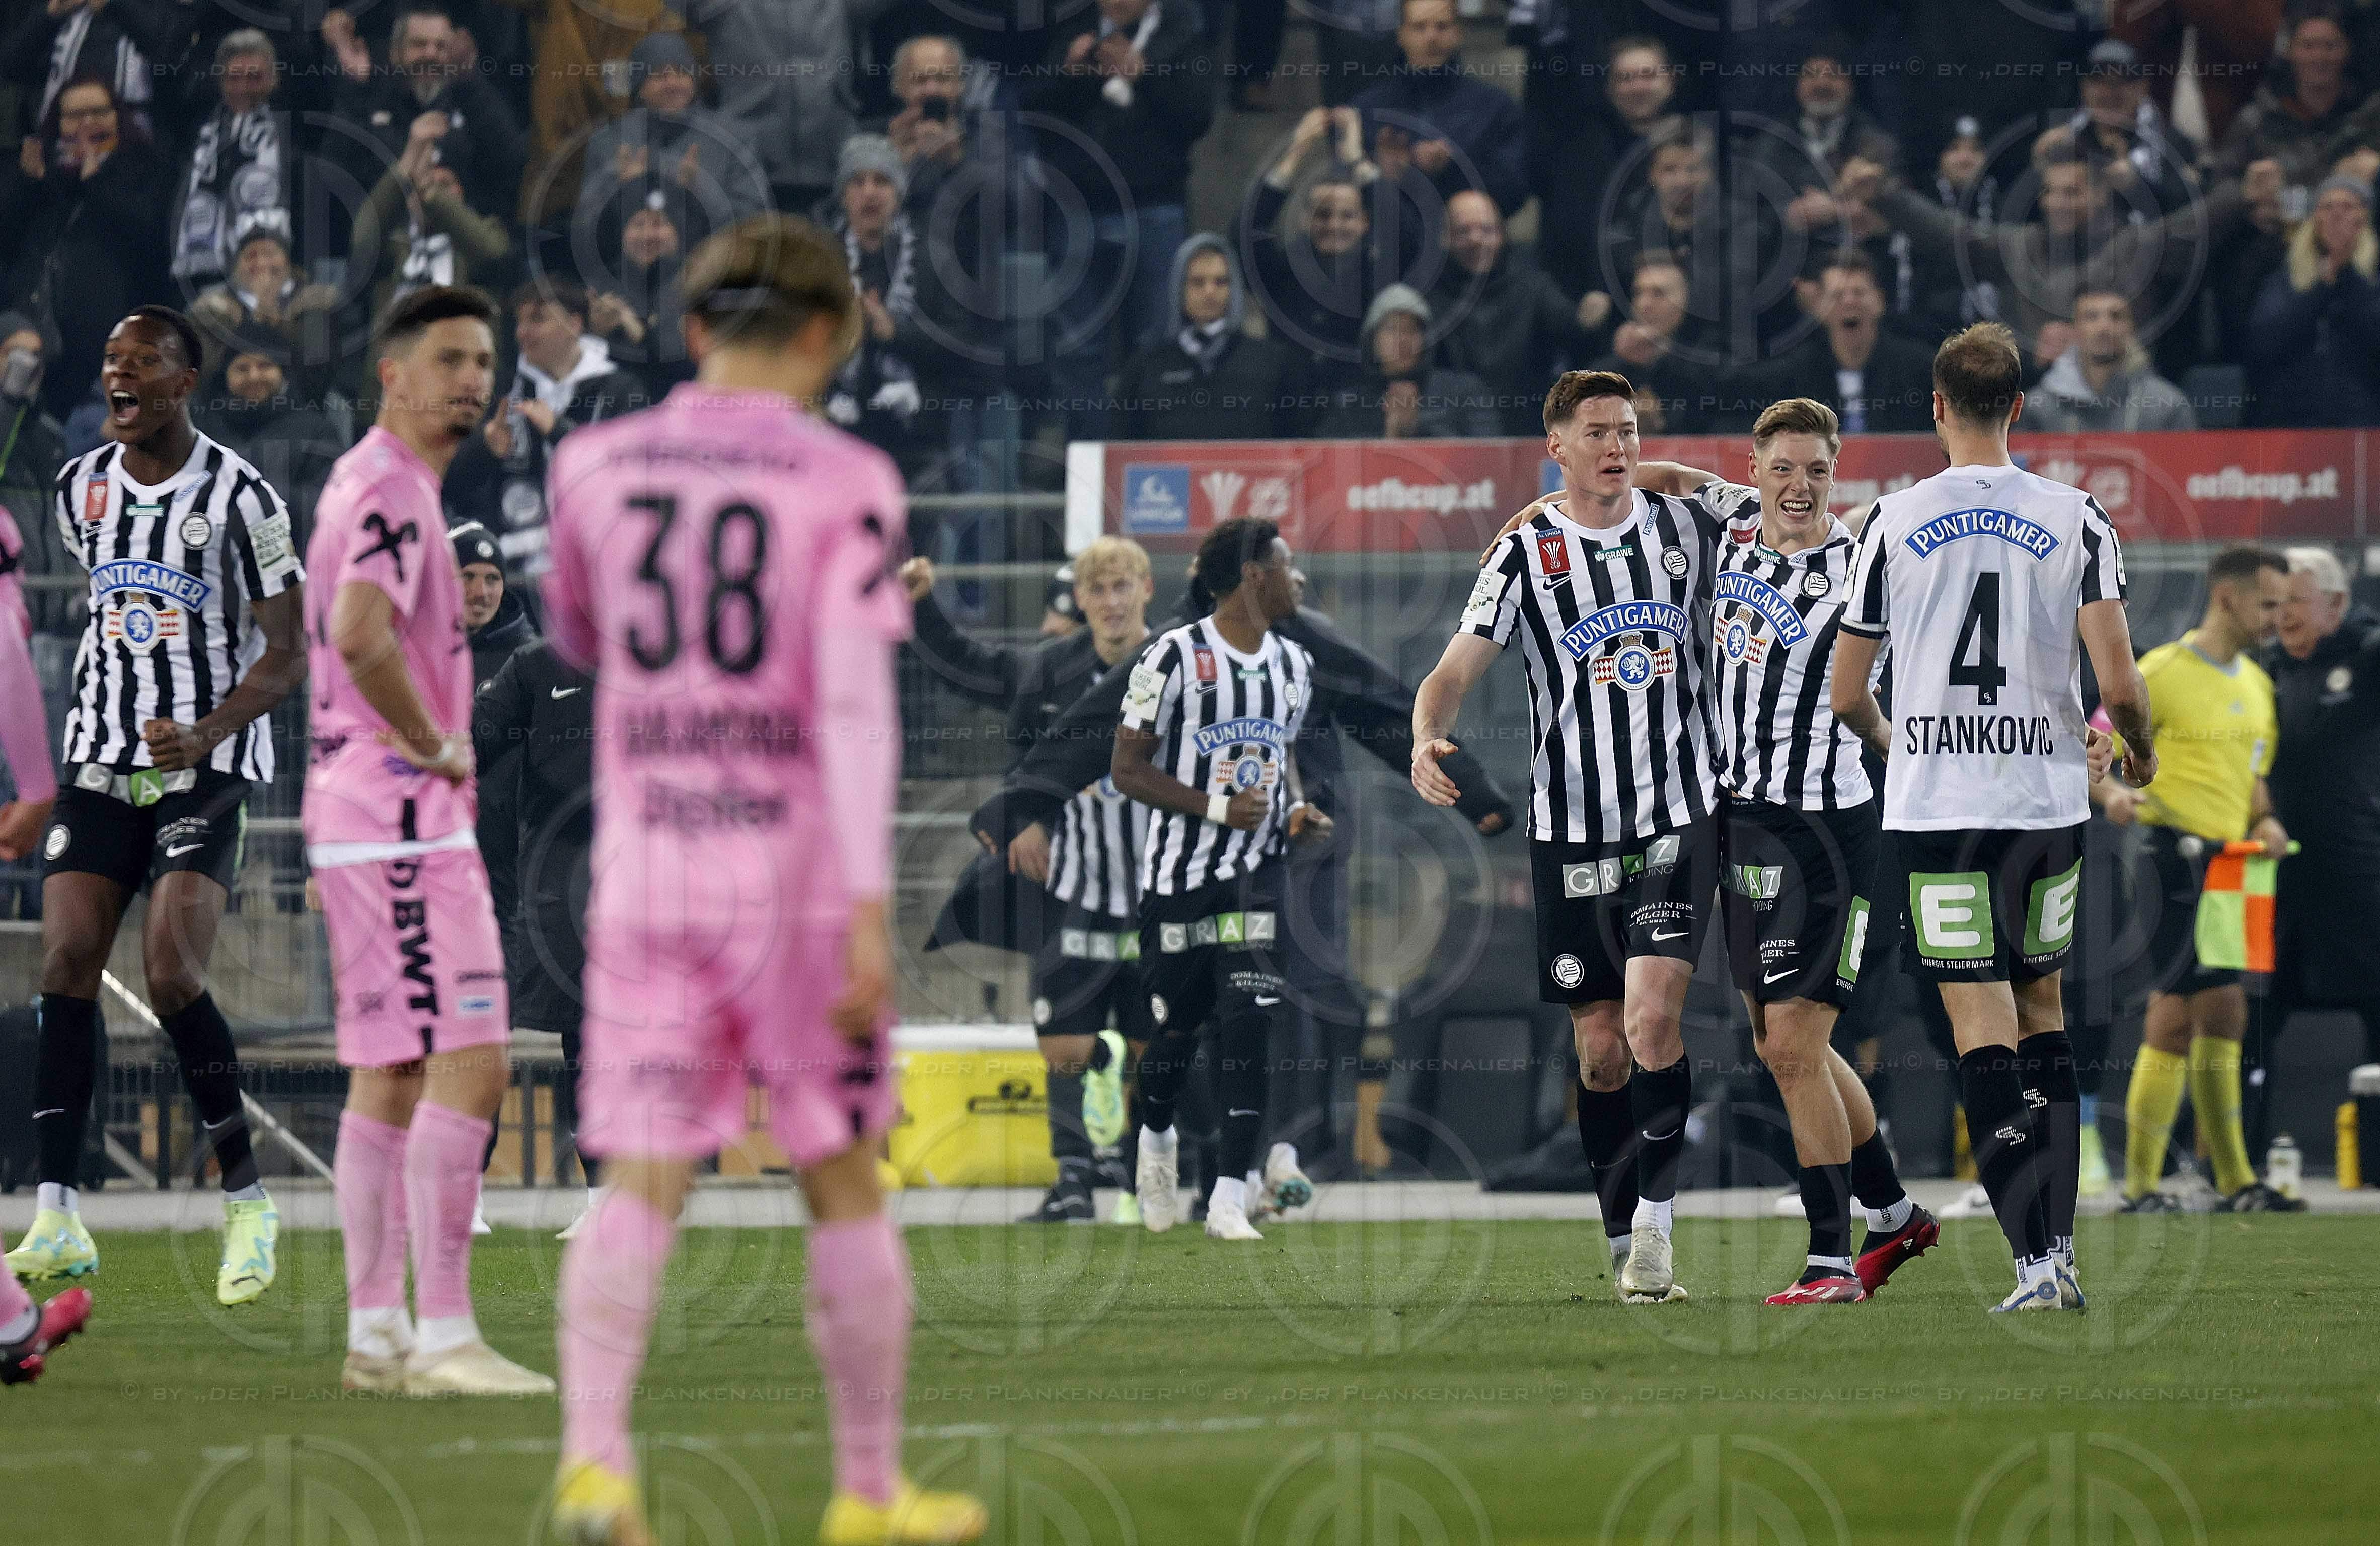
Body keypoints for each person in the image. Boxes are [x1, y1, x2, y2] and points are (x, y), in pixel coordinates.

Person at [539, 213, 987, 1545]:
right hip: (790, 878)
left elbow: (574, 629)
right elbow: (853, 705)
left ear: (688, 331)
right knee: (841, 1173)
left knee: (643, 1178)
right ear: (823, 337)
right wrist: (865, 907)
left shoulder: (593, 465)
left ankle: (595, 1468)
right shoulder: (845, 479)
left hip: (645, 869)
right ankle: (865, 1491)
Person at [1412, 369, 1757, 1305]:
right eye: (1596, 431)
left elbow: (1778, 505)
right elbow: (1450, 670)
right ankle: (1617, 1231)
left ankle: (1655, 1229)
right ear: (1553, 444)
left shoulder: (1689, 528)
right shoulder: (1524, 549)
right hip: (1568, 829)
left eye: (1629, 430)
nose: (1617, 445)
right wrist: (1423, 734)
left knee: (1651, 1019)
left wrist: (1658, 473)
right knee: (1600, 1046)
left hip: (1679, 811)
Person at [1832, 321, 2153, 1313]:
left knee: (1982, 1030)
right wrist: (2136, 748)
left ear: (1937, 407)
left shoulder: (1888, 522)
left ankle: (2033, 1266)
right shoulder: (2077, 515)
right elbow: (2121, 682)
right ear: (2019, 406)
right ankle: (2060, 1250)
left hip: (1938, 811)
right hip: (2045, 803)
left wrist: (1902, 743)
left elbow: (1846, 692)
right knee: (2044, 1011)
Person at [4, 307, 305, 1304]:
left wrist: (206, 732)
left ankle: (249, 1205)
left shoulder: (244, 499)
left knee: (171, 970)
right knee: (63, 964)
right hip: (101, 760)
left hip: (203, 769)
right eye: (109, 360)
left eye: (142, 361)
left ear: (185, 380)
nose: (118, 374)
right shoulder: (78, 486)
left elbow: (287, 655)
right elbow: (108, 615)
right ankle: (57, 1217)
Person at [1622, 400, 1940, 1303]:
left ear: (1835, 476)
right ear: (1755, 471)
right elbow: (1671, 478)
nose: (1798, 487)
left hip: (1830, 831)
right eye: (1782, 469)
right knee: (1774, 1039)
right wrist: (1545, 509)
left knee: (1797, 1044)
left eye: (1815, 471)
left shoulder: (1863, 565)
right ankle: (1892, 1214)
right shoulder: (1728, 518)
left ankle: (1830, 1261)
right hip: (1741, 824)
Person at [304, 285, 550, 1398]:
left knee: (394, 1071)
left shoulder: (373, 482)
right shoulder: (395, 492)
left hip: (368, 818)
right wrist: (438, 745)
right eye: (450, 358)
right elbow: (359, 634)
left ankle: (380, 1337)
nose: (473, 378)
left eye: (484, 360)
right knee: (472, 1053)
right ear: (392, 375)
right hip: (399, 814)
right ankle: (442, 1333)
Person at [905, 540, 1157, 1225]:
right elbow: (971, 669)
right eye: (1097, 588)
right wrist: (1027, 814)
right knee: (1066, 1046)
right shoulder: (1049, 670)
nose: (1110, 601)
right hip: (1074, 884)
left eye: (1121, 586)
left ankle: (1146, 1178)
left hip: (1161, 885)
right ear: (1079, 599)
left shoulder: (1177, 665)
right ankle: (1073, 1180)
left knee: (1152, 1046)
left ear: (1147, 589)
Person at [1114, 517, 1326, 1241]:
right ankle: (1157, 1141)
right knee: (1173, 1041)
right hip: (1178, 881)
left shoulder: (1295, 666)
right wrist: (1214, 807)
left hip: (1256, 882)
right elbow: (1127, 769)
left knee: (1250, 1022)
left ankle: (1229, 1196)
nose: (1300, 580)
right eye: (1288, 566)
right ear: (1254, 577)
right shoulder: (1169, 658)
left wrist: (1295, 808)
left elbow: (1283, 757)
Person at [2097, 546, 2301, 1213]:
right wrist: (2112, 797)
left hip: (2235, 865)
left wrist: (2266, 819)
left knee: (2226, 1010)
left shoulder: (2257, 685)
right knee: (2176, 1013)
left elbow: (2254, 777)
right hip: (2173, 856)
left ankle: (2236, 1182)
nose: (2278, 617)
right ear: (2227, 598)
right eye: (2268, 604)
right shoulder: (2162, 670)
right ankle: (2141, 1189)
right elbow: (2096, 745)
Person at [469, 633, 599, 1239]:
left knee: (595, 1035)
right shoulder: (536, 666)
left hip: (626, 869)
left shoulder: (659, 658)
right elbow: (472, 742)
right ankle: (461, 1195)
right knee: (480, 1029)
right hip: (525, 873)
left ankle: (609, 1199)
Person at [2254, 546, 2380, 1147]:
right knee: (2250, 1016)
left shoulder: (2370, 655)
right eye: (2276, 603)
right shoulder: (2260, 668)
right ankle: (2238, 1165)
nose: (2284, 615)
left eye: (2296, 601)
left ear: (2337, 604)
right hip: (2273, 878)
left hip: (2359, 873)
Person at [443, 281, 649, 581]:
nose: (523, 332)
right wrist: (484, 449)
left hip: (599, 569)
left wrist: (559, 432)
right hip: (510, 577)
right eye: (520, 321)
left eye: (537, 319)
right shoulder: (500, 389)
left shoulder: (623, 390)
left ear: (575, 324)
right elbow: (452, 488)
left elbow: (633, 478)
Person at [6, 77, 174, 423]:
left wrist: (97, 182)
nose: (86, 124)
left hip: (107, 353)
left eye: (98, 112)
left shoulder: (145, 169)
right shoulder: (41, 177)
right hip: (35, 337)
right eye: (74, 115)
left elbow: (153, 244)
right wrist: (26, 185)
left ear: (118, 117)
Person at [1430, 190, 1613, 435]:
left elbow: (1571, 331)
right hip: (1455, 429)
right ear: (1445, 238)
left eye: (1487, 230)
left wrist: (1588, 321)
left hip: (1529, 425)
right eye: (1463, 231)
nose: (1476, 240)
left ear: (1502, 235)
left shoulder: (1531, 284)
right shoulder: (1430, 294)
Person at [330, 6, 525, 228]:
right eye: (419, 45)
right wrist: (356, 88)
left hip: (466, 241)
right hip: (390, 243)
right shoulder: (373, 99)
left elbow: (513, 163)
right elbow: (338, 171)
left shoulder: (472, 99)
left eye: (441, 47)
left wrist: (470, 82)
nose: (431, 54)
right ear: (396, 52)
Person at [574, 32, 766, 244]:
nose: (673, 84)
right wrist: (621, 192)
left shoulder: (734, 138)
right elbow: (586, 230)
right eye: (659, 76)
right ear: (640, 88)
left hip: (715, 269)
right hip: (632, 271)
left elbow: (756, 223)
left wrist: (701, 194)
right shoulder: (608, 143)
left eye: (681, 73)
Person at [1350, 0, 1529, 222]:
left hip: (1471, 242)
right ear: (1401, 34)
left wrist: (1452, 167)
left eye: (1442, 26)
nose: (1431, 37)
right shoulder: (1366, 112)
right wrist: (1390, 175)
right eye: (1419, 27)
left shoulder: (1495, 108)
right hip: (1393, 242)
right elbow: (1347, 200)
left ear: (1458, 33)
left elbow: (1515, 190)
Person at [1112, 236, 1306, 441]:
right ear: (1179, 289)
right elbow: (1121, 447)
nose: (1210, 292)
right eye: (1197, 282)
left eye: (1221, 282)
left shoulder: (1274, 361)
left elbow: (1299, 442)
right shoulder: (1145, 366)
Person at [1234, 111, 1381, 369]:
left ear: (1365, 222)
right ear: (1304, 219)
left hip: (1358, 397)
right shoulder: (1283, 270)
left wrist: (1358, 161)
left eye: (1347, 216)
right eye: (1323, 215)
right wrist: (1296, 151)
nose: (1334, 225)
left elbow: (1405, 232)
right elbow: (1244, 233)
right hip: (1288, 398)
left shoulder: (1378, 272)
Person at [348, 112, 514, 333]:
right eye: (418, 188)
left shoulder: (484, 234)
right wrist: (408, 161)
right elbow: (363, 236)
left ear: (461, 193)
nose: (431, 195)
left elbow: (492, 251)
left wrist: (431, 193)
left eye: (444, 185)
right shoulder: (396, 244)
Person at [1739, 250, 1935, 433]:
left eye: (1858, 292)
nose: (1849, 302)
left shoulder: (1920, 369)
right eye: (1837, 295)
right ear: (1819, 307)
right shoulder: (1797, 371)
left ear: (1879, 301)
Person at [2245, 174, 2380, 427]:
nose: (2336, 215)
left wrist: (2347, 274)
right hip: (2291, 420)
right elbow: (2265, 343)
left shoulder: (2374, 277)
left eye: (2348, 207)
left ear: (2364, 220)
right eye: (2327, 207)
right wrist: (2323, 286)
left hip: (2364, 420)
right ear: (2314, 219)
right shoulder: (2286, 276)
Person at [192, 326, 343, 542]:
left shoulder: (315, 429)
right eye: (242, 368)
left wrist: (251, 502)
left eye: (265, 366)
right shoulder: (203, 429)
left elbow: (331, 501)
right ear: (225, 377)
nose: (254, 376)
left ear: (284, 373)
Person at [168, 29, 291, 292]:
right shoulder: (201, 134)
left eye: (254, 77)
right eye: (234, 78)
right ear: (222, 83)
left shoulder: (292, 129)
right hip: (203, 277)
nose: (243, 88)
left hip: (272, 278)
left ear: (273, 79)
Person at [1315, 285, 1501, 439]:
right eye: (1391, 330)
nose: (1402, 340)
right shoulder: (1347, 404)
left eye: (1411, 330)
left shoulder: (1465, 392)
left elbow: (1488, 457)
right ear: (1372, 341)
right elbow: (1333, 468)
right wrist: (1390, 437)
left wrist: (1417, 432)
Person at [2026, 289, 2199, 432]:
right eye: (2091, 316)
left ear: (2131, 328)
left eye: (2116, 316)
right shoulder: (2038, 407)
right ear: (2075, 331)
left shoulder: (2169, 405)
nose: (2104, 327)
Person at [1589, 256, 1714, 433]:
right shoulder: (1611, 367)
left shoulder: (1712, 353)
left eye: (1659, 294)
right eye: (1638, 293)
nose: (1644, 304)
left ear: (1688, 300)